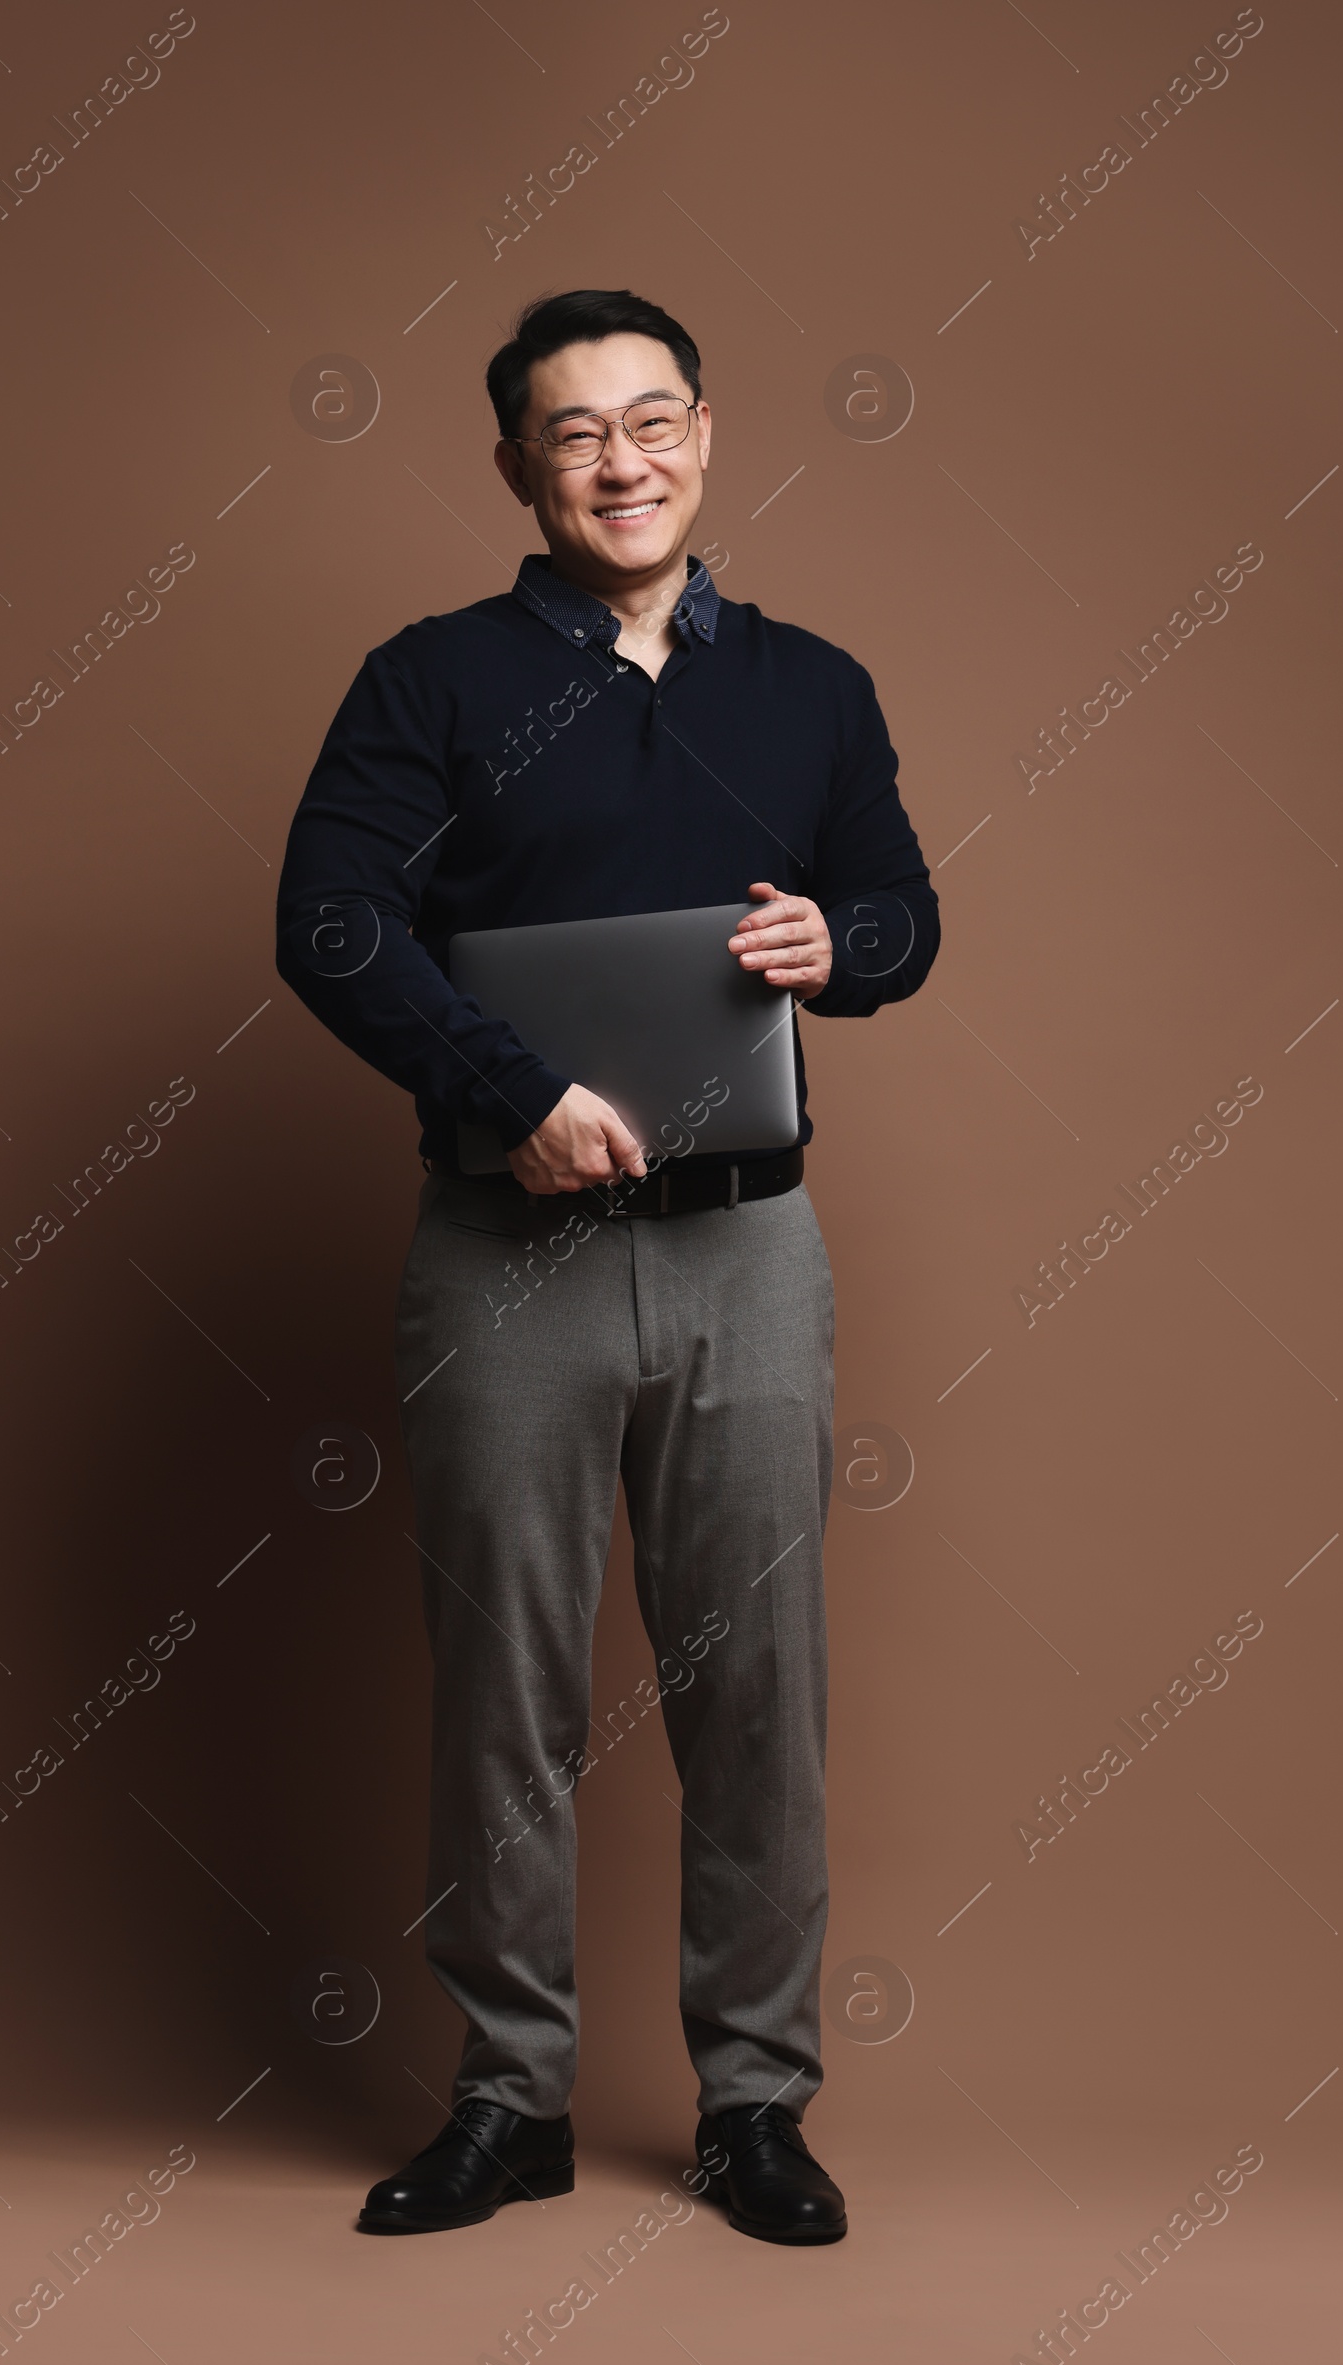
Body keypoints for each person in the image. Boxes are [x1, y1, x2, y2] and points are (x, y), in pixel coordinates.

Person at [275, 288, 940, 2244]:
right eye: (575, 434)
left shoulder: (810, 683)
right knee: (505, 1693)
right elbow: (325, 919)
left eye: (651, 420)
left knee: (756, 1689)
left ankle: (752, 2106)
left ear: (707, 435)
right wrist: (507, 1085)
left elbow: (897, 902)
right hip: (507, 1254)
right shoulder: (432, 679)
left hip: (749, 1253)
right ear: (516, 468)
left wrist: (854, 945)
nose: (622, 461)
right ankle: (511, 2098)